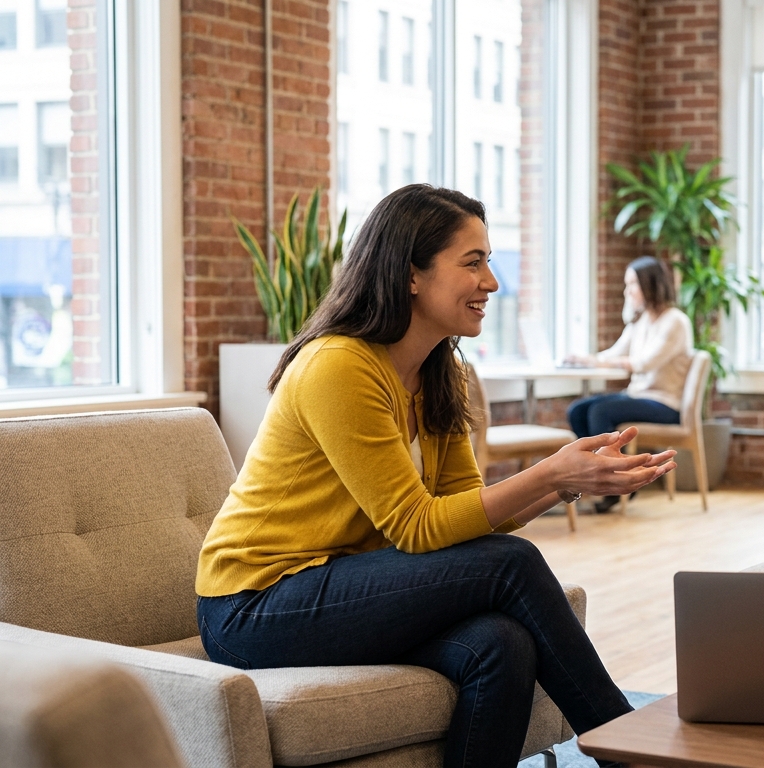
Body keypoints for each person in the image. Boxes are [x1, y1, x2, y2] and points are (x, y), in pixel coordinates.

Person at [196, 185, 670, 768]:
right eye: (473, 262)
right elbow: (416, 527)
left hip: (339, 580)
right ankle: (634, 753)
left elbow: (462, 510)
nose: (491, 282)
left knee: (501, 644)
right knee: (511, 562)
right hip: (255, 602)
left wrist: (567, 482)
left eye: (489, 261)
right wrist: (548, 473)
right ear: (410, 274)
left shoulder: (439, 370)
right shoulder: (339, 365)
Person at [565, 256, 694, 513]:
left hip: (664, 403)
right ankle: (598, 478)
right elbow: (614, 353)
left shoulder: (675, 321)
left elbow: (644, 363)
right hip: (637, 396)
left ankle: (617, 482)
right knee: (578, 410)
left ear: (650, 284)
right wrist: (585, 360)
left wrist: (607, 363)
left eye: (632, 284)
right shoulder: (641, 320)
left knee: (601, 411)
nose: (628, 291)